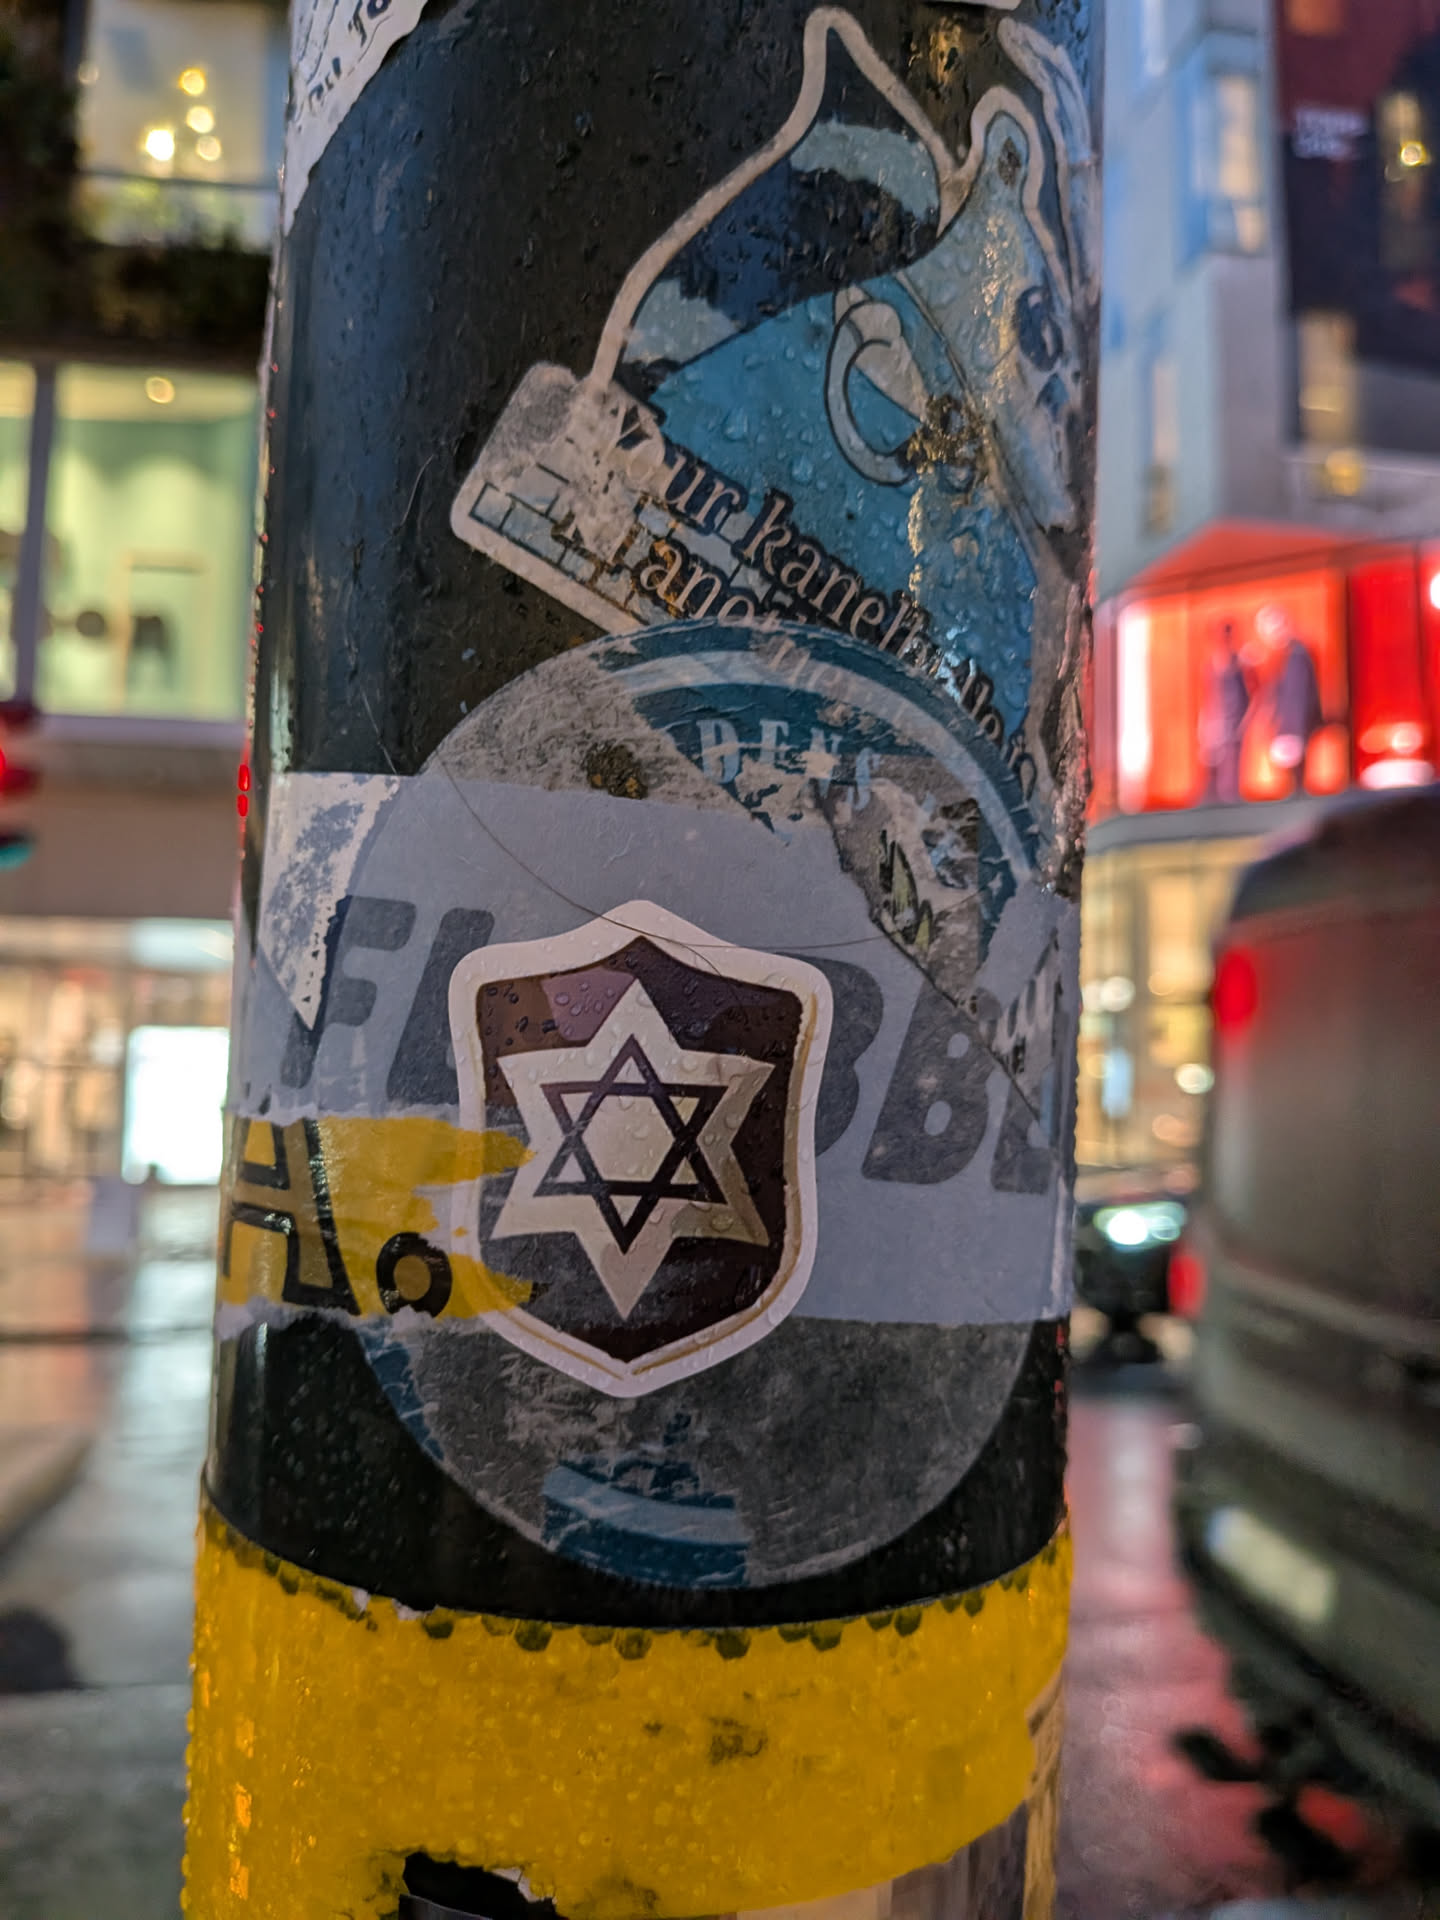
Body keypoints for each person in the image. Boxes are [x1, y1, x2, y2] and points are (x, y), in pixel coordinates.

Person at [1198, 621, 1253, 804]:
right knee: (1211, 778)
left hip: (1233, 727)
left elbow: (1255, 694)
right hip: (1214, 727)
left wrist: (1244, 722)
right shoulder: (1211, 665)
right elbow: (1207, 698)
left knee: (1230, 781)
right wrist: (1204, 727)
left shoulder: (1241, 664)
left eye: (1226, 635)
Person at [1267, 632, 1323, 796]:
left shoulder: (1298, 657)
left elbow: (1301, 695)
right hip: (1287, 726)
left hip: (1294, 726)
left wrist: (1296, 727)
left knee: (1296, 777)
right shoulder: (1284, 657)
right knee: (1289, 777)